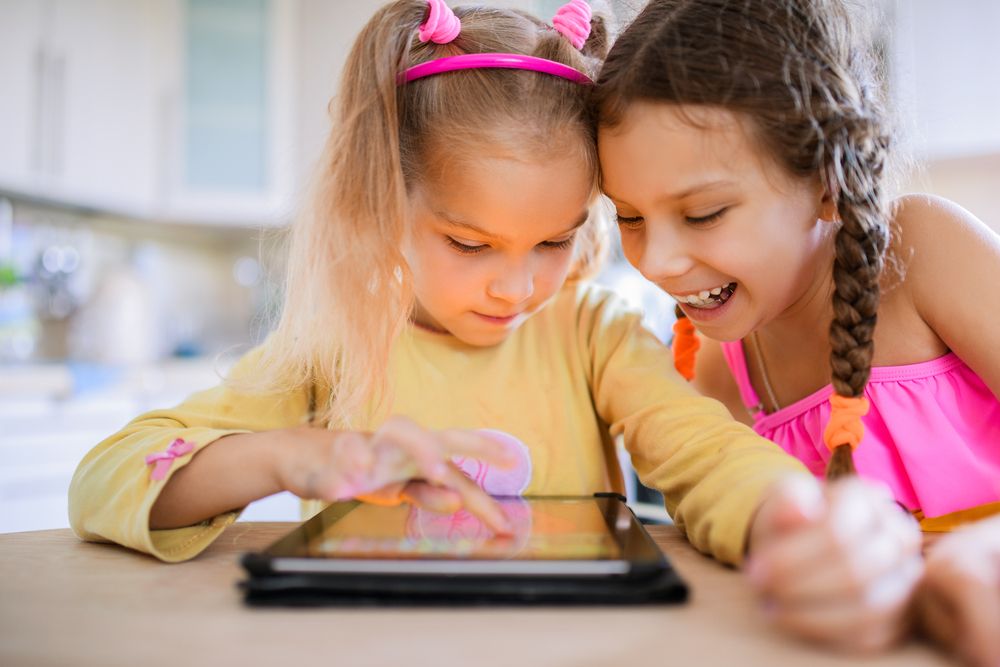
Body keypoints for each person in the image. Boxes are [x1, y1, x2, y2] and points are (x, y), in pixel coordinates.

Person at [593, 0, 1000, 657]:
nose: (656, 262)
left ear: (826, 181)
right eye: (630, 217)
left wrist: (974, 555)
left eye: (703, 213)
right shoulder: (723, 365)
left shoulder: (924, 251)